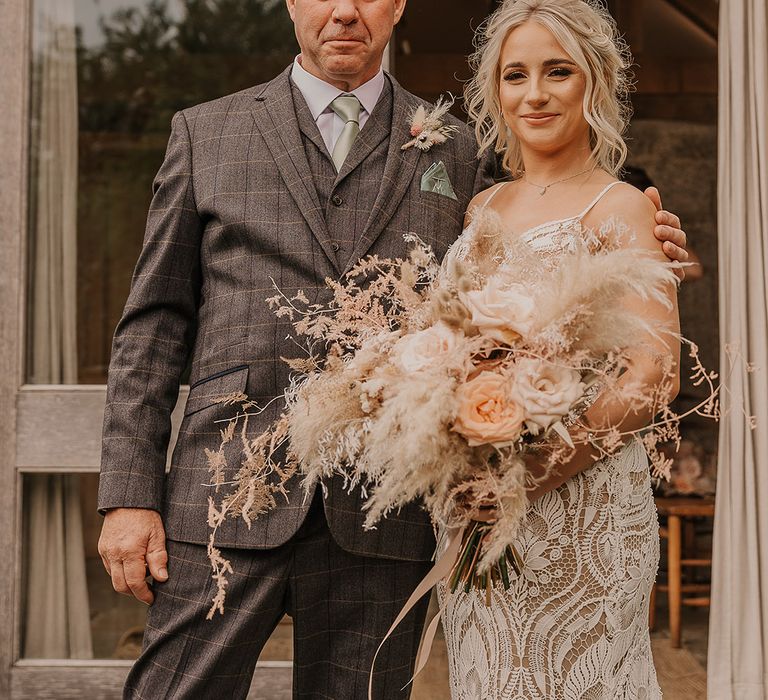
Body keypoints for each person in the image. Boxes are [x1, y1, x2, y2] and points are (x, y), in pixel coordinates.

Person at [96, 0, 688, 697]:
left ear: (398, 6)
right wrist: (128, 496)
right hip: (225, 495)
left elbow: (548, 263)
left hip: (382, 520)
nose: (345, 10)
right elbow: (155, 324)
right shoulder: (207, 133)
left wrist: (646, 250)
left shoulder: (462, 154)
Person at [438, 1, 677, 697]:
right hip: (478, 514)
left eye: (558, 72)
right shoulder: (480, 210)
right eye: (516, 75)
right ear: (495, 91)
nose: (534, 93)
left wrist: (533, 473)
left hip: (583, 513)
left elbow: (653, 373)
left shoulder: (621, 207)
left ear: (594, 82)